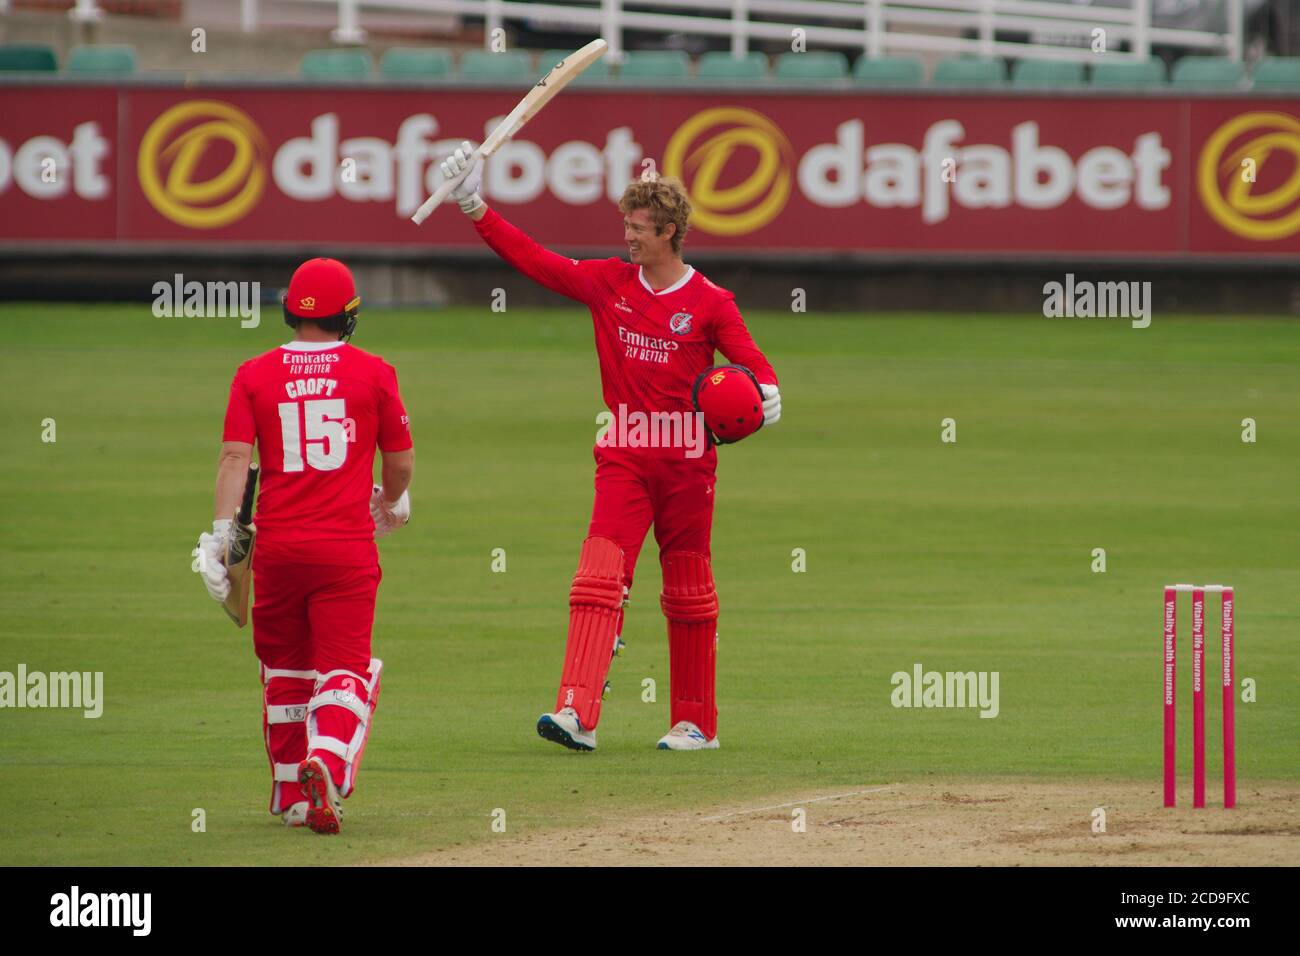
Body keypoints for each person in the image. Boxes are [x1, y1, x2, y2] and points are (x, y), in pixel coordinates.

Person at [439, 143, 781, 752]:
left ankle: (696, 723)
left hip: (687, 460)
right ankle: (576, 713)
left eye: (639, 229)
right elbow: (535, 260)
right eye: (625, 226)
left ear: (671, 232)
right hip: (624, 449)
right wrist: (473, 205)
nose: (628, 238)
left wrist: (767, 392)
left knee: (688, 592)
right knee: (598, 579)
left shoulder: (711, 302)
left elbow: (753, 367)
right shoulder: (607, 283)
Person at [192, 258, 413, 832]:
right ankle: (328, 757)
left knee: (284, 670)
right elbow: (400, 460)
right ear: (349, 316)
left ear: (291, 310)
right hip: (344, 551)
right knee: (345, 669)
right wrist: (392, 499)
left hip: (279, 550)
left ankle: (294, 793)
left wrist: (221, 536)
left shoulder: (253, 373)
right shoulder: (375, 372)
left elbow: (235, 459)